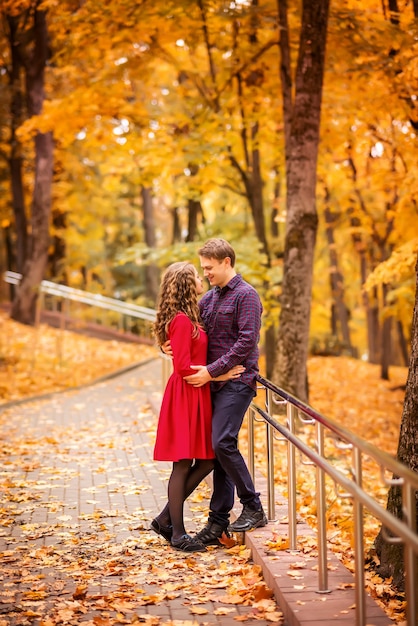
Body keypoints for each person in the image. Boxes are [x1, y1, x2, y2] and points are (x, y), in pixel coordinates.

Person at [163, 239, 267, 546]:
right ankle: (217, 521)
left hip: (237, 381)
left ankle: (252, 504)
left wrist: (213, 370)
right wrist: (165, 344)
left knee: (222, 441)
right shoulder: (207, 300)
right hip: (211, 382)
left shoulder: (247, 296)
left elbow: (246, 342)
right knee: (215, 451)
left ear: (225, 262)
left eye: (209, 267)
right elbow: (180, 325)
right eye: (203, 268)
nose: (205, 272)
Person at [151, 261, 243, 552]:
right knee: (183, 463)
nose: (202, 278)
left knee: (206, 460)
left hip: (197, 394)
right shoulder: (180, 320)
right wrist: (221, 373)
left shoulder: (192, 315)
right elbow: (180, 367)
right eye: (196, 276)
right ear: (187, 284)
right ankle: (177, 533)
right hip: (186, 394)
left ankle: (165, 519)